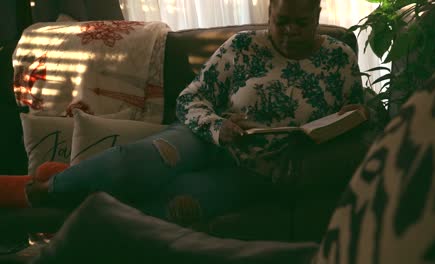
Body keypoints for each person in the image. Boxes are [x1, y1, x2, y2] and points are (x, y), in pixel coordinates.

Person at [22, 0, 366, 231]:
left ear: (319, 16)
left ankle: (78, 224)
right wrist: (219, 126)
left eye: (302, 24)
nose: (291, 32)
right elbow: (189, 100)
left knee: (176, 207)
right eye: (282, 22)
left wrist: (355, 115)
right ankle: (44, 190)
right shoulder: (243, 47)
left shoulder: (338, 59)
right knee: (132, 163)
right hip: (204, 139)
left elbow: (354, 121)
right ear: (270, 13)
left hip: (258, 170)